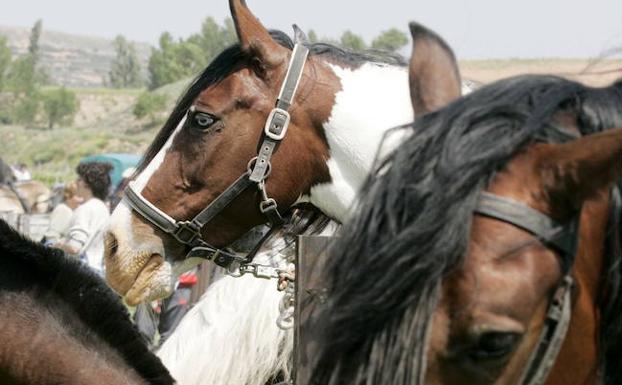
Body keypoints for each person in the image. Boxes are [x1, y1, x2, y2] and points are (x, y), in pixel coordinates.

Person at [54, 162, 112, 275]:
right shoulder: (103, 208)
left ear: (88, 184)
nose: (76, 182)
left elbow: (74, 248)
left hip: (80, 272)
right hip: (99, 270)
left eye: (79, 179)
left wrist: (58, 246)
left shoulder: (84, 209)